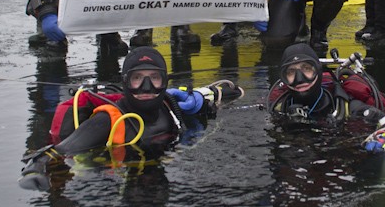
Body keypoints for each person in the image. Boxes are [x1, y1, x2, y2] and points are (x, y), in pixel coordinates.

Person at [18, 47, 234, 190]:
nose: (146, 88)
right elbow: (57, 152)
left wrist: (205, 102)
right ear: (125, 82)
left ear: (165, 82)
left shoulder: (170, 108)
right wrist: (33, 171)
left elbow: (212, 108)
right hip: (119, 181)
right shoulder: (109, 121)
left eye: (154, 79)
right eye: (137, 78)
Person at [267, 43, 385, 123]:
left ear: (319, 71)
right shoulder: (278, 106)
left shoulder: (344, 107)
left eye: (307, 69)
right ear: (283, 78)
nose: (300, 79)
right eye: (291, 72)